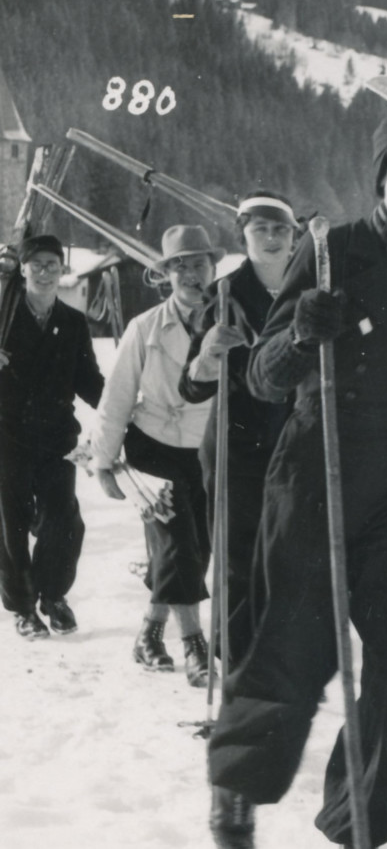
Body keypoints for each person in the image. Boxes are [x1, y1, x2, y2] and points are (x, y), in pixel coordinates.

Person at [203, 111, 387, 849]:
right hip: (313, 463)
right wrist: (300, 333)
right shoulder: (329, 251)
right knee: (293, 648)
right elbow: (264, 379)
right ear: (384, 173)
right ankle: (237, 787)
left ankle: (362, 824)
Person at [93, 225, 218, 686]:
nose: (190, 274)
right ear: (165, 274)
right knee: (179, 546)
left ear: (213, 268)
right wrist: (103, 461)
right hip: (151, 451)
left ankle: (150, 631)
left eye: (198, 264)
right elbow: (117, 396)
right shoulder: (143, 327)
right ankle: (194, 645)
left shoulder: (228, 326)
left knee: (195, 551)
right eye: (179, 266)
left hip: (205, 451)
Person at [178, 191, 299, 669]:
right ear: (243, 235)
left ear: (295, 236)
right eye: (260, 229)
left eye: (281, 230)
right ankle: (238, 673)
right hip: (238, 448)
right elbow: (190, 388)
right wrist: (208, 354)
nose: (271, 239)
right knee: (238, 564)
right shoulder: (223, 296)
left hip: (295, 446)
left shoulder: (311, 290)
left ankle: (278, 664)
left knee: (289, 558)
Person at [0, 235, 104, 639]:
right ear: (23, 270)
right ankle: (23, 607)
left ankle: (53, 596)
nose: (45, 272)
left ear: (63, 270)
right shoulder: (3, 316)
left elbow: (88, 380)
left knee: (63, 519)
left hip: (57, 435)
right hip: (7, 434)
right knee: (11, 524)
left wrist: (122, 405)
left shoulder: (74, 322)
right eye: (36, 265)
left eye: (52, 265)